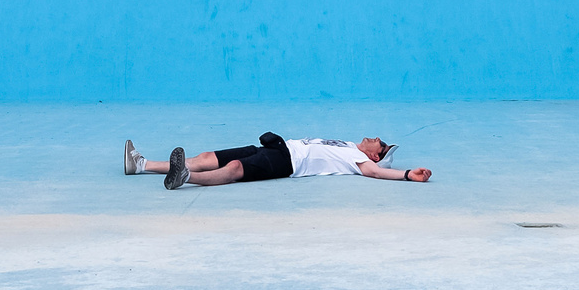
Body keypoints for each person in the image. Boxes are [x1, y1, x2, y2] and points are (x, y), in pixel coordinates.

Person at [123, 133, 432, 189]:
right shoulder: (348, 144)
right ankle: (143, 164)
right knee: (207, 157)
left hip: (289, 165)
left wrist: (407, 174)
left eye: (379, 142)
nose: (374, 137)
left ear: (375, 153)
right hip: (278, 147)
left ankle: (185, 177)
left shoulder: (358, 159)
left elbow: (377, 174)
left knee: (233, 171)